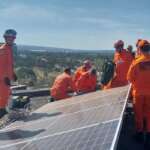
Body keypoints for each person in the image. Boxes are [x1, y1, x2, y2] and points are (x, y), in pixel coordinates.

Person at [127, 40, 150, 148]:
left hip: (139, 94)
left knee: (139, 115)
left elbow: (130, 78)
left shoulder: (136, 62)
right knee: (149, 115)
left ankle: (140, 135)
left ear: (139, 49)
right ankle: (149, 137)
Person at [0, 29, 17, 118]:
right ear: (5, 38)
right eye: (9, 38)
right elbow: (1, 66)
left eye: (12, 38)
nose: (11, 39)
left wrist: (13, 73)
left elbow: (8, 64)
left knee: (7, 96)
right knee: (2, 102)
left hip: (6, 78)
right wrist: (4, 78)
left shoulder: (9, 49)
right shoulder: (3, 50)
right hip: (2, 80)